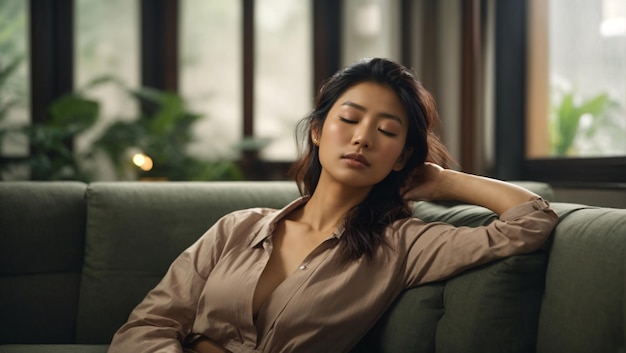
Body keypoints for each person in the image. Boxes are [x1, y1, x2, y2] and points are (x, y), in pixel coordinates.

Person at [108, 58, 558, 353]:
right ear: (320, 131)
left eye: (386, 131)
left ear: (402, 157)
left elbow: (530, 221)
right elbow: (148, 325)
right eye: (349, 119)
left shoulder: (401, 245)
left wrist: (442, 180)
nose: (363, 137)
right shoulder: (238, 229)